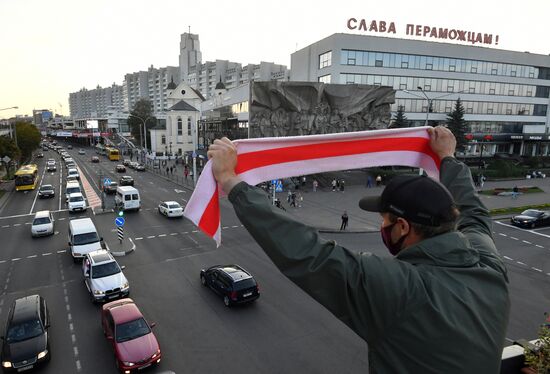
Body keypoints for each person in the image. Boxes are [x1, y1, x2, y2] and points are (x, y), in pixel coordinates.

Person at [206, 126, 510, 374]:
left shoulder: (401, 289)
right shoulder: (488, 262)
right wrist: (448, 157)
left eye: (384, 219)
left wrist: (231, 181)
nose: (381, 227)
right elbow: (475, 212)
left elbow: (308, 253)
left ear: (402, 227)